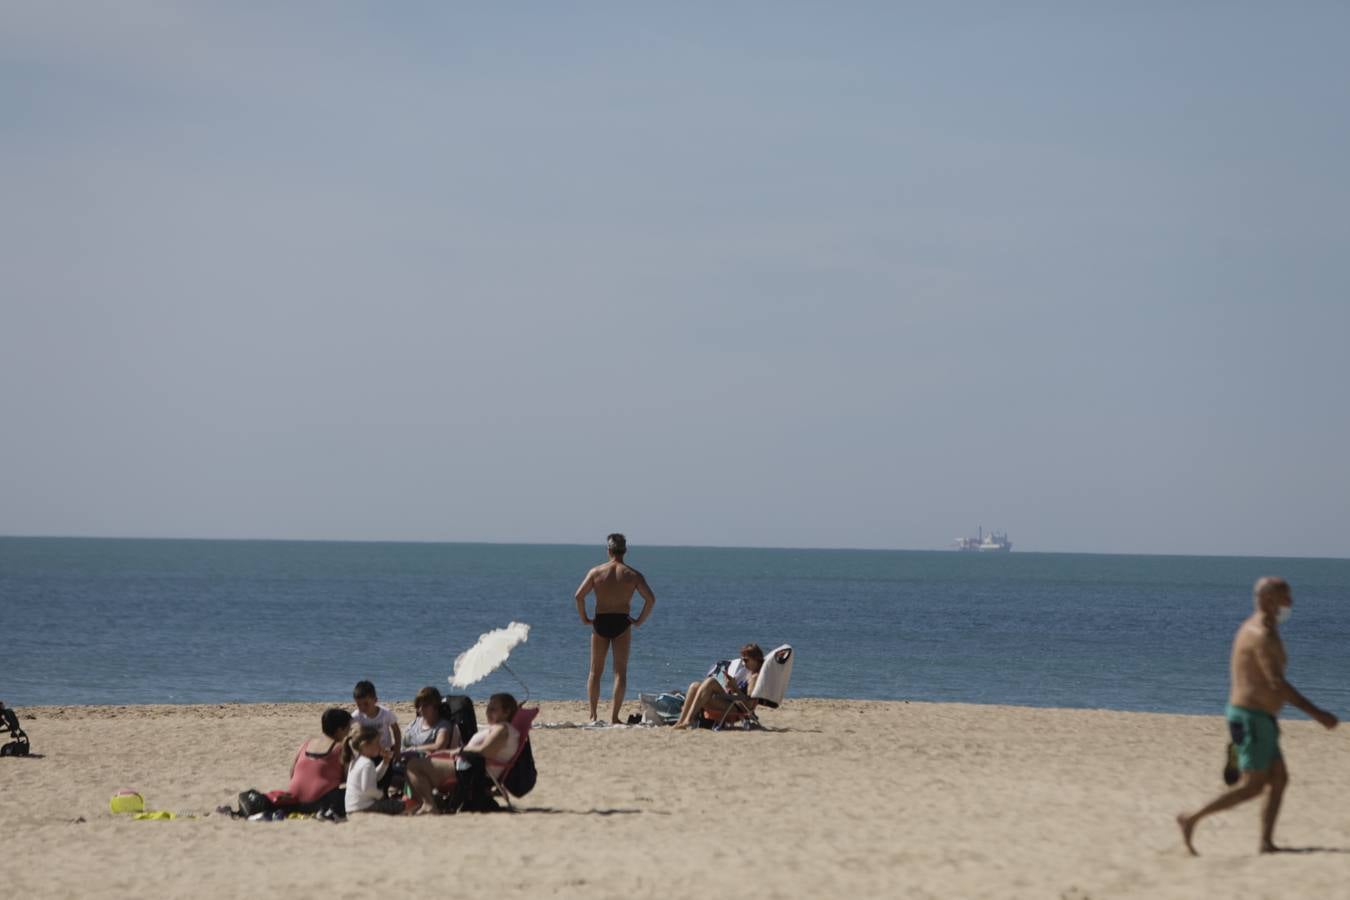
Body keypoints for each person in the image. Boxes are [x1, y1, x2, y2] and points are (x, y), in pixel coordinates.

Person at [1177, 577, 1338, 855]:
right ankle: (1191, 818)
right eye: (1285, 597)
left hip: (1261, 719)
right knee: (1252, 786)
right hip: (1250, 718)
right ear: (1268, 599)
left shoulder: (1267, 630)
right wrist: (1318, 713)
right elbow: (1276, 682)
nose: (1290, 603)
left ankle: (1266, 842)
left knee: (1278, 779)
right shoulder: (1259, 634)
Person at [574, 533, 656, 724]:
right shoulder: (632, 574)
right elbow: (650, 599)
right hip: (622, 622)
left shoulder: (596, 572)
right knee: (620, 672)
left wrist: (585, 618)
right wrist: (638, 621)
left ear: (608, 550)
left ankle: (593, 715)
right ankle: (614, 717)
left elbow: (579, 596)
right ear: (625, 550)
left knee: (595, 671)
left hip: (600, 621)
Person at [404, 693, 522, 812]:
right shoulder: (501, 728)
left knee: (414, 765)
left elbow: (485, 752)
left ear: (506, 712)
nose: (487, 712)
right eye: (488, 708)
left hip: (472, 769)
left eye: (493, 709)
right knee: (422, 760)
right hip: (469, 763)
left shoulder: (501, 729)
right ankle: (428, 801)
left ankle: (429, 805)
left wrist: (459, 750)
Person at [672, 643, 765, 729]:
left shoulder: (755, 677)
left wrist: (734, 687)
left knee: (711, 682)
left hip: (737, 709)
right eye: (742, 660)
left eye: (746, 660)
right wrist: (730, 686)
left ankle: (688, 720)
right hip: (731, 701)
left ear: (756, 659)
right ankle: (681, 721)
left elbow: (748, 705)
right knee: (694, 685)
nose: (743, 663)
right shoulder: (746, 672)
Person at [286, 707, 352, 814]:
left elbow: (292, 773)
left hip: (293, 801)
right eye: (349, 728)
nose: (350, 732)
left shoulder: (306, 744)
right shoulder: (341, 748)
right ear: (340, 730)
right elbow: (350, 778)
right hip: (318, 803)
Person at [343, 725, 407, 815]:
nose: (380, 746)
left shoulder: (356, 761)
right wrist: (380, 795)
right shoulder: (367, 763)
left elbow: (374, 777)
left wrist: (385, 762)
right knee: (402, 805)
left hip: (351, 807)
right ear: (365, 745)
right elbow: (368, 788)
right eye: (377, 743)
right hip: (364, 807)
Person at [402, 686, 460, 756]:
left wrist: (414, 749)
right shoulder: (415, 723)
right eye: (418, 706)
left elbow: (439, 746)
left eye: (425, 706)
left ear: (435, 706)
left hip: (424, 762)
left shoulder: (442, 726)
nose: (420, 709)